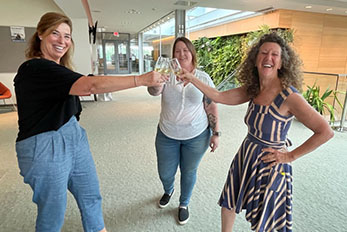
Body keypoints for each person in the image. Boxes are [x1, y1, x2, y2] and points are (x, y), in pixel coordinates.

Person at [14, 12, 166, 232]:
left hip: (73, 136)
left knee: (91, 196)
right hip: (44, 145)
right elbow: (91, 86)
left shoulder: (60, 71)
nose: (62, 41)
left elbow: (87, 83)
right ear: (40, 34)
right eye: (55, 33)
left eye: (67, 36)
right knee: (52, 213)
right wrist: (141, 79)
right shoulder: (34, 69)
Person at [179, 32, 334, 231]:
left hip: (271, 164)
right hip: (247, 153)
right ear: (255, 59)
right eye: (263, 53)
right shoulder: (253, 89)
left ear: (281, 63)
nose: (268, 58)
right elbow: (217, 96)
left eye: (274, 55)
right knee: (229, 201)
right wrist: (191, 78)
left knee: (267, 220)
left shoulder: (289, 96)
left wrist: (290, 156)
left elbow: (325, 131)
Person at [147, 37, 220, 225]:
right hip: (167, 133)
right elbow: (154, 92)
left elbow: (211, 107)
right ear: (173, 56)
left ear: (192, 53)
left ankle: (183, 204)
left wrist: (216, 133)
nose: (181, 54)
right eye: (177, 51)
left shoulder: (203, 78)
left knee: (189, 171)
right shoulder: (167, 74)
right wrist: (155, 82)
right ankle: (168, 189)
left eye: (185, 50)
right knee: (165, 172)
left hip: (196, 136)